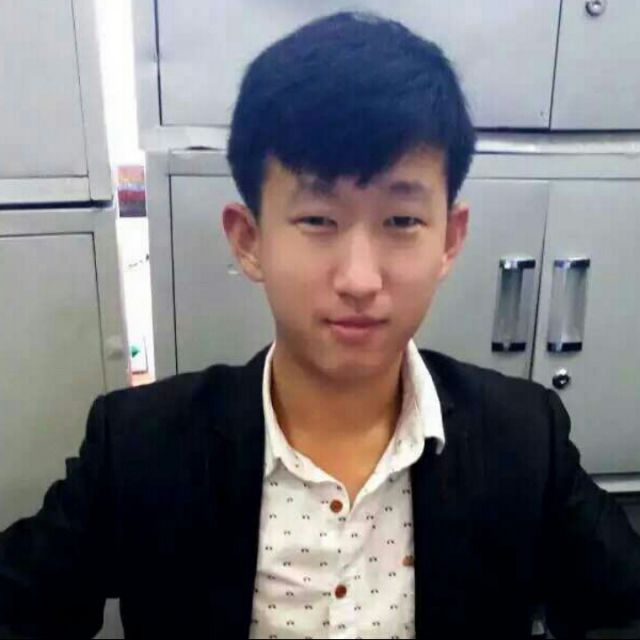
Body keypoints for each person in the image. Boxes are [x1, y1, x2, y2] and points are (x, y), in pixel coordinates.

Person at [1, 11, 639, 640]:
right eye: (317, 220)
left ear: (450, 239)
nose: (360, 279)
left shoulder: (523, 439)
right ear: (249, 240)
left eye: (401, 221)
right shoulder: (141, 448)